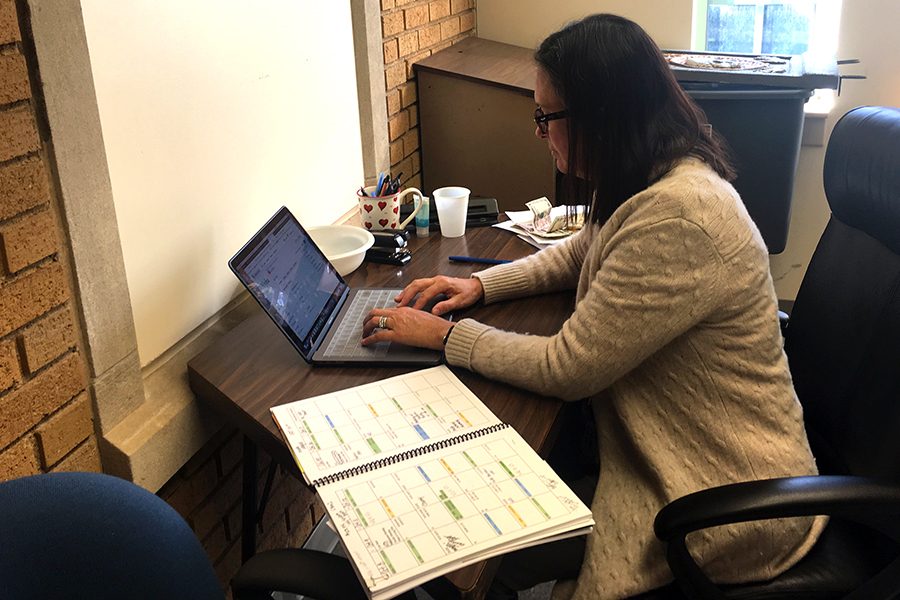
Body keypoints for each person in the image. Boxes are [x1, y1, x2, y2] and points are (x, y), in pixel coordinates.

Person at [361, 13, 825, 600]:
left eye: (545, 117)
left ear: (601, 118)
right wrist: (483, 287)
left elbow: (568, 367)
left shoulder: (681, 215)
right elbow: (586, 248)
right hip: (664, 447)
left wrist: (446, 337)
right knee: (486, 524)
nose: (539, 132)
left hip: (722, 494)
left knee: (474, 549)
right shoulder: (655, 175)